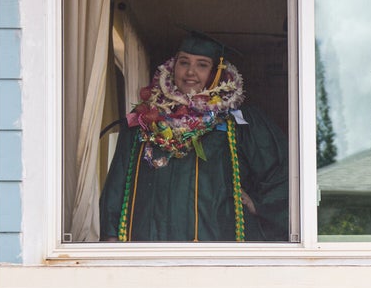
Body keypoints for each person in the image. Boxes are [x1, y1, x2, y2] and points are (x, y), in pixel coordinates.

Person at [100, 31, 289, 242]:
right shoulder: (146, 121)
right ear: (173, 67)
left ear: (217, 73)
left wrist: (258, 204)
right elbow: (117, 185)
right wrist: (110, 237)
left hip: (215, 249)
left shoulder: (239, 122)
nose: (190, 72)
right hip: (149, 249)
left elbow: (282, 171)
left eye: (202, 64)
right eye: (184, 62)